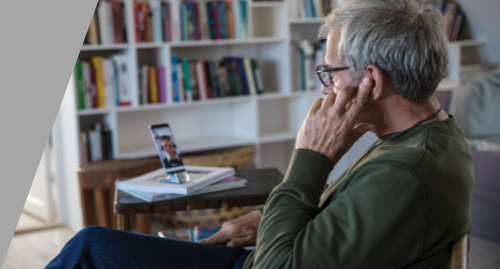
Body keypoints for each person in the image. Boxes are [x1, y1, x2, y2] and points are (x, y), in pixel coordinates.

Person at [45, 0, 474, 268]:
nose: (324, 87)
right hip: (266, 250)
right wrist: (270, 220)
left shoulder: (406, 172)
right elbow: (353, 218)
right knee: (98, 245)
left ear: (372, 82)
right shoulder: (429, 138)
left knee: (90, 248)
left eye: (328, 72)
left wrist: (311, 156)